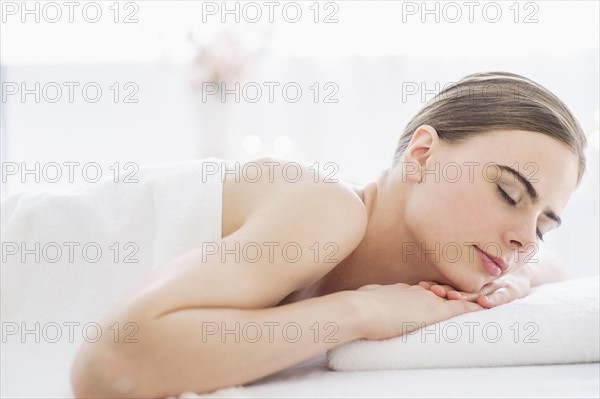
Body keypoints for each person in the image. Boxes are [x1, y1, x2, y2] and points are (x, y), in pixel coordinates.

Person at [70, 71, 587, 398]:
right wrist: (361, 312)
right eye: (508, 193)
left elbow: (553, 269)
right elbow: (109, 366)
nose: (524, 239)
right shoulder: (323, 209)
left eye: (544, 224)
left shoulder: (470, 265)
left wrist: (520, 282)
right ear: (422, 156)